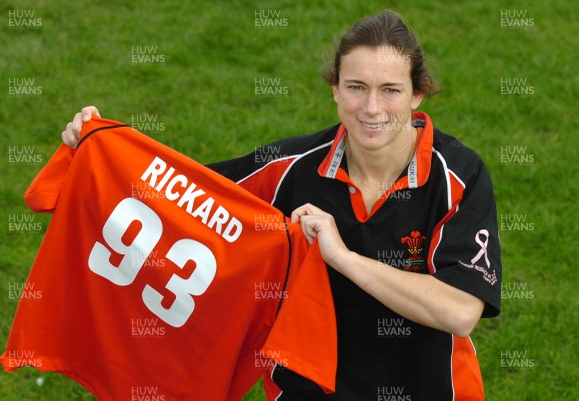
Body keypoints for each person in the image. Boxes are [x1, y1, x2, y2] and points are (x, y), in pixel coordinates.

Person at [61, 10, 501, 401]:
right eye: (355, 87)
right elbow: (176, 192)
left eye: (390, 90)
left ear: (417, 93)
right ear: (334, 89)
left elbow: (460, 311)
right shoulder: (290, 168)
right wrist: (99, 149)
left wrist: (343, 259)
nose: (372, 108)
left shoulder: (458, 176)